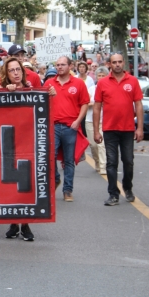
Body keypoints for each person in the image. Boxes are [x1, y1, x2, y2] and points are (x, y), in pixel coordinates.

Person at [0, 58, 56, 242]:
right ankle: (14, 223)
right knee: (11, 186)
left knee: (27, 184)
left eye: (18, 70)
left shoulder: (33, 90)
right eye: (11, 70)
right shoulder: (1, 91)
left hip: (30, 144)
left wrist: (50, 96)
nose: (15, 73)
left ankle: (25, 224)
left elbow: (46, 112)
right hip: (8, 145)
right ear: (6, 74)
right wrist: (6, 94)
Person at [93, 52, 144, 206]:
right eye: (114, 62)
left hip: (128, 129)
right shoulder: (102, 83)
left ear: (124, 63)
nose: (117, 64)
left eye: (119, 62)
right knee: (111, 163)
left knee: (128, 161)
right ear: (109, 64)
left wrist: (140, 128)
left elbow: (139, 105)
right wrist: (96, 131)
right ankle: (113, 194)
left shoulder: (133, 81)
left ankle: (127, 188)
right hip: (109, 129)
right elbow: (96, 108)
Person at [44, 56, 89, 202]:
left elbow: (84, 104)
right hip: (53, 126)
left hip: (71, 126)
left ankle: (68, 190)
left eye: (63, 64)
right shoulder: (49, 83)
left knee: (69, 160)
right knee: (50, 158)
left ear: (70, 66)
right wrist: (47, 95)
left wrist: (78, 121)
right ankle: (56, 179)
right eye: (57, 65)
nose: (59, 67)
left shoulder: (79, 83)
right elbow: (41, 102)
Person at [86, 66, 109, 175]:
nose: (100, 78)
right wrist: (96, 104)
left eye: (103, 76)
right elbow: (85, 103)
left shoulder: (109, 88)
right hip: (90, 120)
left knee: (102, 144)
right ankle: (97, 161)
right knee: (93, 145)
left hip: (104, 120)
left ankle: (103, 166)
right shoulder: (91, 89)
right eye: (99, 76)